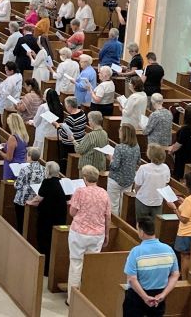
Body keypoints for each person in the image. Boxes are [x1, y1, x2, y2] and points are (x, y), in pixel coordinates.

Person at [123, 217, 180, 317]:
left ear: (141, 232)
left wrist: (145, 297)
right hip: (158, 297)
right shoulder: (169, 250)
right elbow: (175, 274)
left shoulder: (136, 252)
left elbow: (132, 279)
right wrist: (163, 294)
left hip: (137, 297)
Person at [67, 165, 111, 293]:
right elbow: (107, 216)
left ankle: (72, 297)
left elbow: (72, 212)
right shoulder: (104, 193)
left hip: (79, 233)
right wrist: (107, 234)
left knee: (76, 263)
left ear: (84, 178)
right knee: (91, 265)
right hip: (97, 234)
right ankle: (87, 295)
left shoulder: (80, 192)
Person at [36, 160, 67, 276]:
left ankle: (45, 268)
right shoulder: (63, 182)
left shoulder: (47, 182)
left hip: (47, 217)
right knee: (54, 242)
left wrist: (30, 201)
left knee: (44, 241)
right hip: (60, 217)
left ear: (48, 171)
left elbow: (39, 198)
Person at [106, 123, 141, 217]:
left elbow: (115, 166)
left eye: (120, 131)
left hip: (116, 179)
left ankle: (114, 223)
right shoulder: (136, 147)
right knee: (123, 204)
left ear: (124, 133)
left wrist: (111, 159)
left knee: (113, 204)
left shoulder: (119, 147)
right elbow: (138, 162)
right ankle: (121, 223)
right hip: (129, 179)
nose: (119, 132)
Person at [133, 145, 170, 224]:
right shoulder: (166, 167)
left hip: (143, 200)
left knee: (141, 225)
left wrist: (137, 193)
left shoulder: (143, 168)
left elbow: (137, 185)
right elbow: (166, 182)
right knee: (155, 226)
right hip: (158, 200)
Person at [13, 147, 46, 230]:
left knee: (21, 222)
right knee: (31, 223)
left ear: (30, 156)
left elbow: (18, 185)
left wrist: (14, 183)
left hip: (22, 200)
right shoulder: (44, 169)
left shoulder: (25, 169)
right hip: (36, 199)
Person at [57, 96, 87, 172]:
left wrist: (58, 127)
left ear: (70, 106)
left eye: (66, 106)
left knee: (65, 163)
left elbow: (63, 134)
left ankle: (64, 173)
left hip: (69, 145)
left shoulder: (70, 118)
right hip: (79, 141)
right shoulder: (82, 113)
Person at [169, 107, 191, 180]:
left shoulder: (185, 129)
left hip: (182, 154)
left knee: (180, 174)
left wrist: (171, 150)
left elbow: (179, 143)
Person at [0, 113, 29, 180]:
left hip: (12, 167)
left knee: (8, 188)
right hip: (22, 165)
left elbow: (9, 158)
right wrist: (6, 144)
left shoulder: (13, 138)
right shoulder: (25, 135)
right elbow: (19, 147)